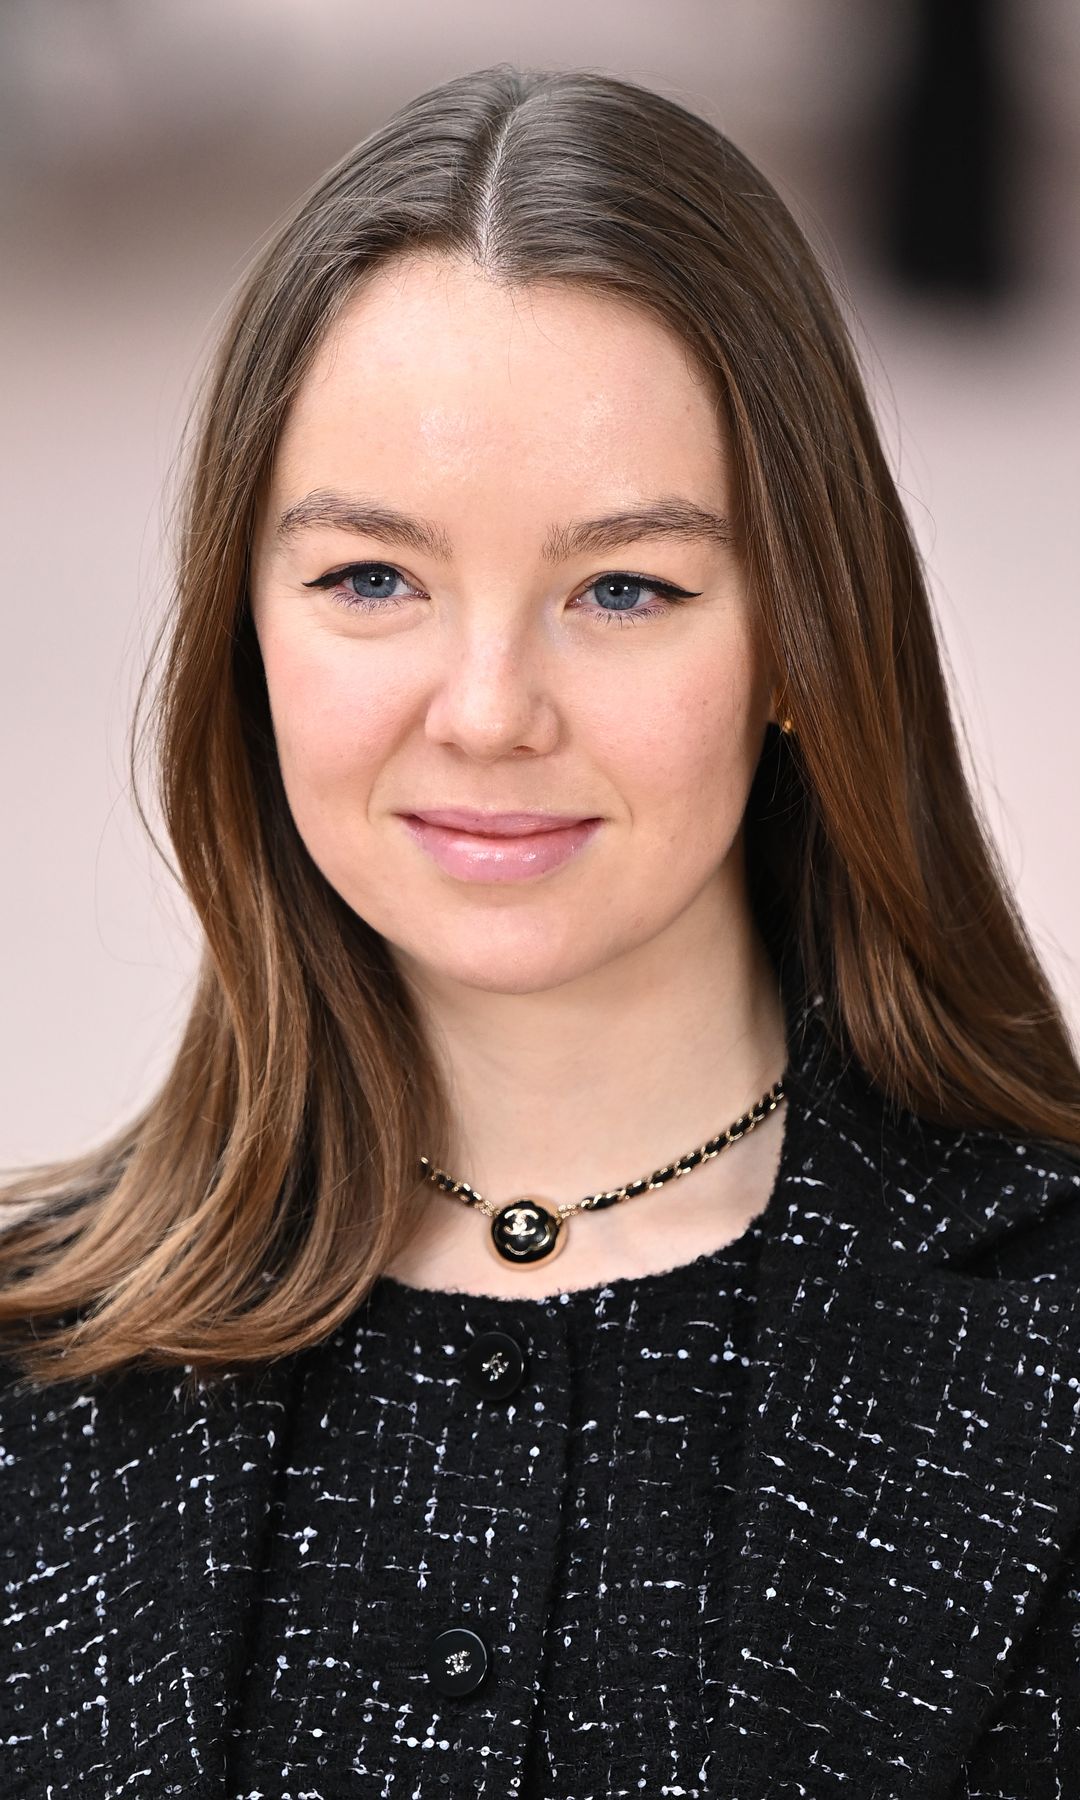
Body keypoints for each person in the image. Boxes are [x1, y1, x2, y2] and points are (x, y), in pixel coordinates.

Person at [1, 62, 1079, 1800]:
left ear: (802, 635)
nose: (488, 711)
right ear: (245, 634)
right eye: (373, 579)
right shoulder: (33, 1366)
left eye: (624, 589)